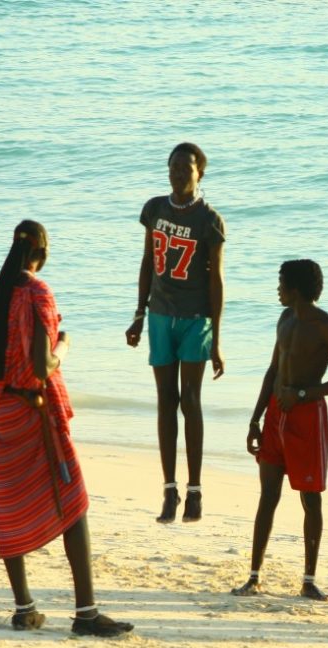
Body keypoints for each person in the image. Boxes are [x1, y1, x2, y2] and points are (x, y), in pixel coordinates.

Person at [0, 221, 132, 637]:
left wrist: (5, 388)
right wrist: (64, 345)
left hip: (2, 412)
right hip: (37, 414)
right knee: (72, 501)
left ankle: (24, 608)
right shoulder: (39, 293)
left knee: (9, 501)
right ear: (43, 253)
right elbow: (42, 366)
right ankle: (86, 613)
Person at [232, 260, 328, 601]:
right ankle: (254, 576)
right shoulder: (285, 319)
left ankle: (309, 580)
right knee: (267, 495)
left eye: (281, 283)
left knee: (310, 499)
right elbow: (273, 370)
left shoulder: (325, 326)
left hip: (306, 417)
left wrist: (301, 393)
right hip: (275, 416)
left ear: (296, 290)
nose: (277, 289)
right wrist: (255, 418)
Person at [125, 142, 226, 524]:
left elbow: (216, 280)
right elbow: (148, 262)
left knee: (191, 399)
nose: (179, 173)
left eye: (187, 167)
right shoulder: (154, 209)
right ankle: (169, 491)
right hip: (160, 316)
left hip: (195, 318)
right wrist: (138, 314)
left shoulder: (209, 220)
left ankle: (195, 491)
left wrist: (216, 338)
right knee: (165, 400)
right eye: (174, 167)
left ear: (201, 172)